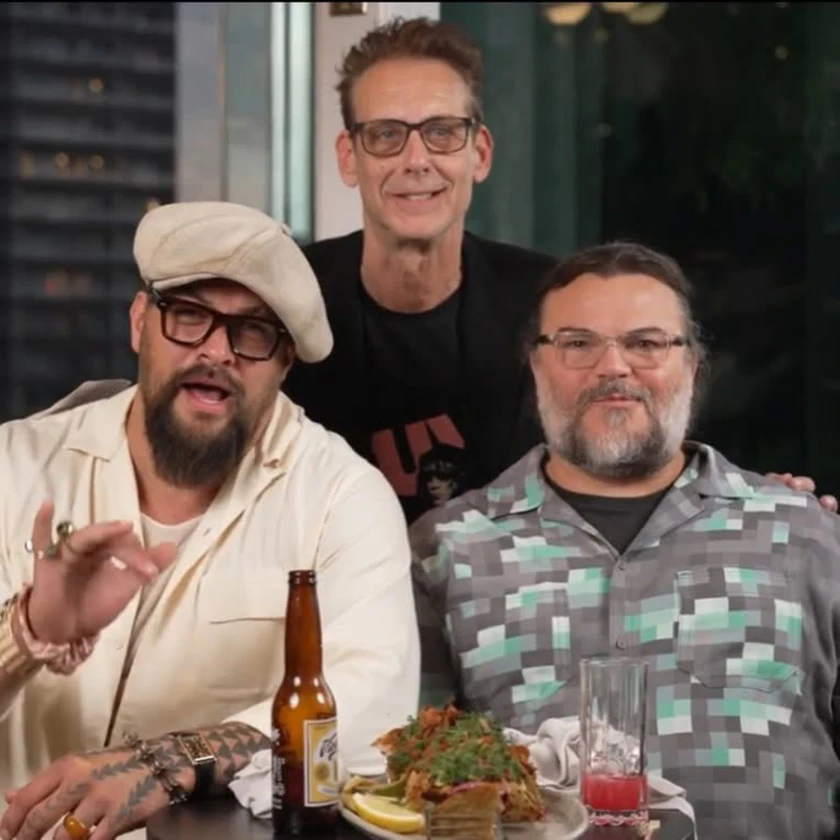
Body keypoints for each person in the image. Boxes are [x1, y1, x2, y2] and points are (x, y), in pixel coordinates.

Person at [285, 16, 835, 524]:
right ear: (348, 156)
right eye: (385, 134)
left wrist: (754, 503)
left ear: (480, 153)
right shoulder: (287, 300)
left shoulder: (554, 302)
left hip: (518, 590)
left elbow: (647, 441)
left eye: (442, 132)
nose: (415, 159)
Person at [0, 201, 419, 840]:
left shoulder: (342, 498)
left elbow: (371, 715)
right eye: (189, 315)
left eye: (253, 331)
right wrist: (29, 631)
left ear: (284, 362)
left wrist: (170, 762)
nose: (217, 351)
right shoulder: (13, 465)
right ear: (139, 323)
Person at [410, 241, 840, 840]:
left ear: (692, 366)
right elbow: (413, 784)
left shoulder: (806, 537)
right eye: (578, 344)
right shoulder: (446, 550)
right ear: (536, 366)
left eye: (646, 343)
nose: (613, 366)